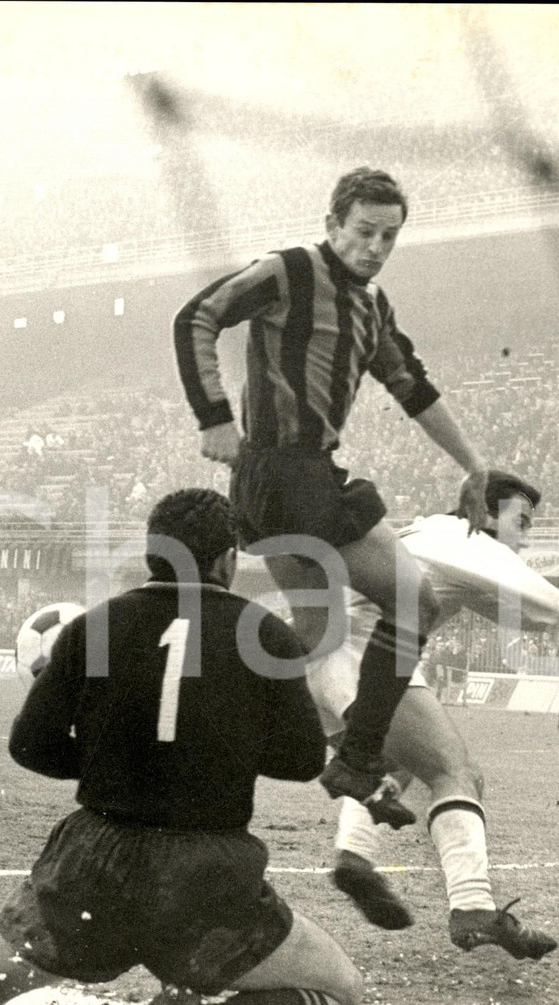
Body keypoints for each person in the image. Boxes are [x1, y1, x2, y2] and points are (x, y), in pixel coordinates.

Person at [0, 490, 362, 1005]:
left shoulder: (94, 627)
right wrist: (218, 752)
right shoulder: (266, 636)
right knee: (339, 991)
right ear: (227, 559)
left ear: (152, 553)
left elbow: (30, 746)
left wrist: (109, 763)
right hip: (207, 877)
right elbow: (303, 762)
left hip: (93, 867)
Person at [173, 166, 491, 816]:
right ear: (332, 226)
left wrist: (474, 466)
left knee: (319, 633)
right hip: (287, 473)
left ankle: (264, 719)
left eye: (388, 237)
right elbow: (197, 318)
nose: (375, 247)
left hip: (284, 481)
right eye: (364, 231)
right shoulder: (289, 271)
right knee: (416, 602)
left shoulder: (373, 309)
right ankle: (357, 756)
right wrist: (213, 417)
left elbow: (413, 389)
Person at [305, 471, 559, 955]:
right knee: (455, 772)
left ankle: (355, 858)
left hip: (320, 660)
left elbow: (504, 610)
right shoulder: (471, 541)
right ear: (483, 513)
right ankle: (474, 907)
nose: (524, 535)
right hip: (362, 656)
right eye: (519, 520)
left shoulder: (429, 533)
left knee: (396, 764)